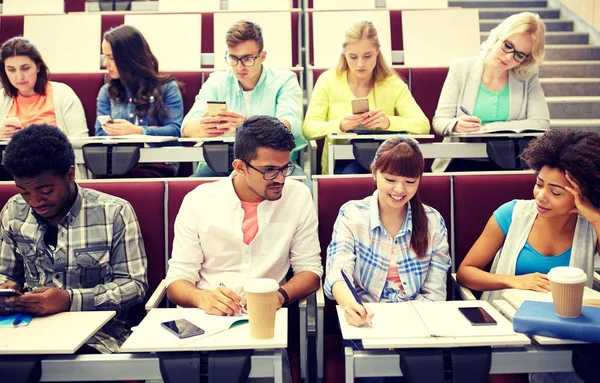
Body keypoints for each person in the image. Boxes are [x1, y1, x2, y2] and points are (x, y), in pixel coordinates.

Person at [166, 116, 322, 383]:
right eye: (270, 170)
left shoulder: (298, 196)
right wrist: (203, 298)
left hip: (267, 327)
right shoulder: (198, 201)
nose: (281, 178)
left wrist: (280, 296)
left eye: (286, 168)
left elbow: (311, 271)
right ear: (240, 167)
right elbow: (176, 282)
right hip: (206, 325)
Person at [0, 124, 148, 353]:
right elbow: (6, 273)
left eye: (46, 191)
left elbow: (134, 286)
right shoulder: (13, 210)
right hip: (26, 329)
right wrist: (7, 288)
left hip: (97, 334)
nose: (34, 201)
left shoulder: (114, 212)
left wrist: (70, 300)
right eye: (23, 191)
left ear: (70, 174)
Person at [457, 129, 600, 304]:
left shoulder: (592, 224)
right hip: (508, 317)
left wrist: (596, 219)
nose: (541, 196)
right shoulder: (511, 213)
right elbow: (465, 273)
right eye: (539, 184)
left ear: (583, 194)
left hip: (569, 321)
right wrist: (514, 281)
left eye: (555, 192)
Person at [325, 136, 451, 328]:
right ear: (374, 173)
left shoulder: (432, 221)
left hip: (418, 322)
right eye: (390, 179)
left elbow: (435, 293)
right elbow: (338, 273)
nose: (399, 189)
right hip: (367, 320)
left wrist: (406, 327)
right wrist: (350, 305)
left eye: (410, 181)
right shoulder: (352, 214)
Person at [302, 20, 429, 174]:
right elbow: (308, 129)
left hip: (385, 162)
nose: (360, 64)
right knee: (355, 173)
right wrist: (340, 125)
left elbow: (422, 124)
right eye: (353, 57)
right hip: (340, 162)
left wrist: (388, 122)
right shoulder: (328, 80)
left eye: (367, 56)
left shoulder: (392, 83)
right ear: (344, 54)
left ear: (377, 51)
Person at [181, 20, 305, 177]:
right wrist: (203, 129)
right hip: (217, 166)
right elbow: (186, 129)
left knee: (303, 189)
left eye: (247, 59)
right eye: (233, 58)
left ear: (262, 56)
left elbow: (289, 124)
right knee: (188, 194)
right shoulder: (216, 81)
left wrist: (249, 127)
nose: (239, 66)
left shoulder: (284, 80)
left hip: (272, 165)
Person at [432, 12, 549, 172]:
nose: (509, 57)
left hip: (510, 161)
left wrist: (490, 128)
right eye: (508, 46)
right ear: (496, 37)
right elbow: (439, 121)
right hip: (460, 159)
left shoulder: (527, 77)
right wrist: (457, 125)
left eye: (519, 55)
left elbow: (541, 123)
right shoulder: (461, 67)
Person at [97, 25, 184, 177]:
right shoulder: (107, 92)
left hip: (158, 163)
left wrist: (137, 132)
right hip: (117, 164)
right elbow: (99, 134)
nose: (106, 64)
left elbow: (175, 131)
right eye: (105, 57)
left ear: (130, 57)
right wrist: (153, 130)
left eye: (111, 58)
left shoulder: (167, 87)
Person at [0, 36, 89, 179]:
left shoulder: (63, 93)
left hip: (54, 168)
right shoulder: (2, 98)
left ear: (38, 67)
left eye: (25, 68)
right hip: (11, 171)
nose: (19, 76)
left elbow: (81, 142)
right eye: (11, 70)